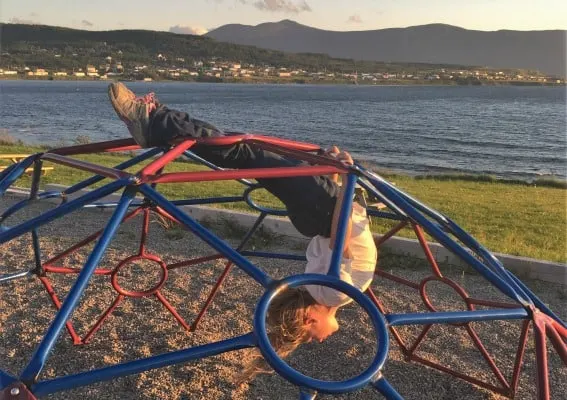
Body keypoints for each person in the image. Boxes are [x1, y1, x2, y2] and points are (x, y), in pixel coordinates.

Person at [107, 82, 378, 379]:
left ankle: (155, 120)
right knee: (247, 150)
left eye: (309, 337)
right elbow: (334, 240)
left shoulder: (333, 295)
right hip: (320, 214)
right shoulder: (326, 292)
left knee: (245, 151)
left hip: (325, 210)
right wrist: (338, 180)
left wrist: (342, 186)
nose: (318, 340)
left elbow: (340, 236)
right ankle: (160, 124)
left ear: (309, 318)